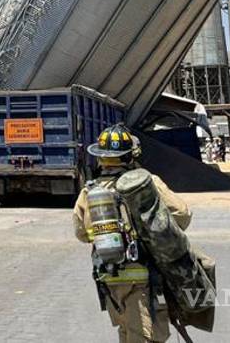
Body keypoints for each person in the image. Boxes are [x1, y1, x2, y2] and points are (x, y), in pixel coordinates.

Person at [73, 125, 191, 343]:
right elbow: (183, 214)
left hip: (109, 277)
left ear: (100, 157)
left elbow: (81, 234)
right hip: (143, 276)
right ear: (130, 156)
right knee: (146, 336)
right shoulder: (146, 184)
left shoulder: (89, 192)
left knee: (127, 332)